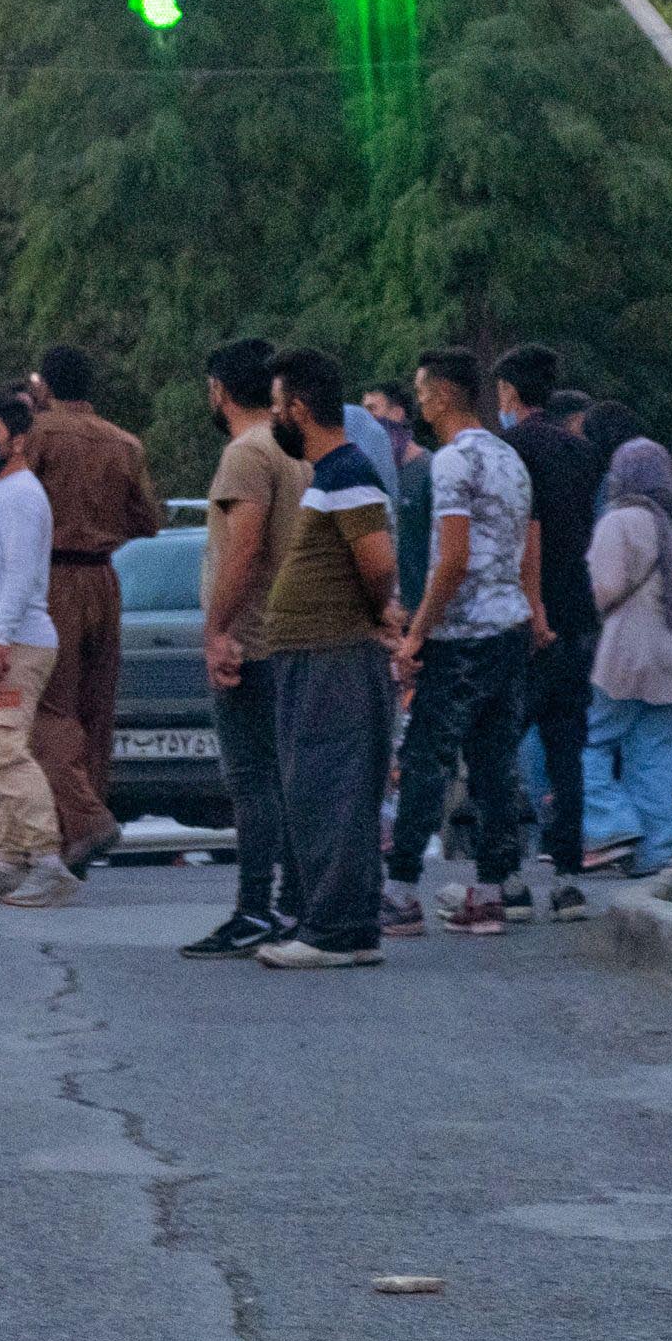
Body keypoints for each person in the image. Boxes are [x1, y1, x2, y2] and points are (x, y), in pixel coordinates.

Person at [253, 347, 398, 969]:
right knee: (324, 786)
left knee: (328, 786)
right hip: (320, 653)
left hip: (332, 655)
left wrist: (367, 613)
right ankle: (348, 924)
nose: (274, 418)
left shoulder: (346, 472)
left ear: (300, 408)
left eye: (278, 406)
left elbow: (379, 564)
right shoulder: (331, 475)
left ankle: (334, 930)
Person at [385, 347, 536, 936]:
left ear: (445, 393)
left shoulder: (452, 464)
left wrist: (416, 633)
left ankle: (399, 891)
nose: (418, 401)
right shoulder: (510, 460)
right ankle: (494, 887)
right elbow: (523, 548)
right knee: (494, 763)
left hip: (461, 633)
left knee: (426, 759)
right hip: (509, 626)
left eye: (422, 391)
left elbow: (452, 558)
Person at [184, 339, 309, 958]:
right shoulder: (296, 450)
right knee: (285, 780)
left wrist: (216, 632)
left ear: (219, 390)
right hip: (292, 637)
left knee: (253, 781)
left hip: (250, 642)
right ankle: (292, 905)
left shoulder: (245, 454)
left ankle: (255, 907)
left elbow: (243, 548)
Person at [21, 345, 163, 870]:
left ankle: (81, 821)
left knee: (49, 707)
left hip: (54, 575)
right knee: (94, 709)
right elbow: (148, 520)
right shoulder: (125, 442)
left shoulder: (37, 436)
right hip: (104, 576)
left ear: (46, 385)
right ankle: (81, 830)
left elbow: (14, 500)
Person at [0, 389, 77, 907]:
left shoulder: (22, 495)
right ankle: (8, 860)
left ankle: (47, 861)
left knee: (4, 750)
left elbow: (22, 576)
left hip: (13, 646)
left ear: (19, 440)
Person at [496, 342, 600, 917]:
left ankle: (508, 872)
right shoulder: (582, 455)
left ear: (510, 393)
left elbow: (518, 537)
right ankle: (567, 875)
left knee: (500, 743)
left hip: (524, 616)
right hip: (576, 613)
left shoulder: (506, 451)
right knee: (567, 749)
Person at [582, 438, 672, 878]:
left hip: (623, 655)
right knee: (654, 758)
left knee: (586, 740)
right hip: (670, 657)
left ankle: (613, 823)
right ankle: (655, 851)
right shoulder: (670, 528)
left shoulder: (618, 521)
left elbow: (602, 588)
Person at [365, 379, 434, 614]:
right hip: (380, 610)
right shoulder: (366, 472)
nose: (367, 421)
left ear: (396, 413)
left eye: (372, 409)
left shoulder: (428, 469)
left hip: (419, 609)